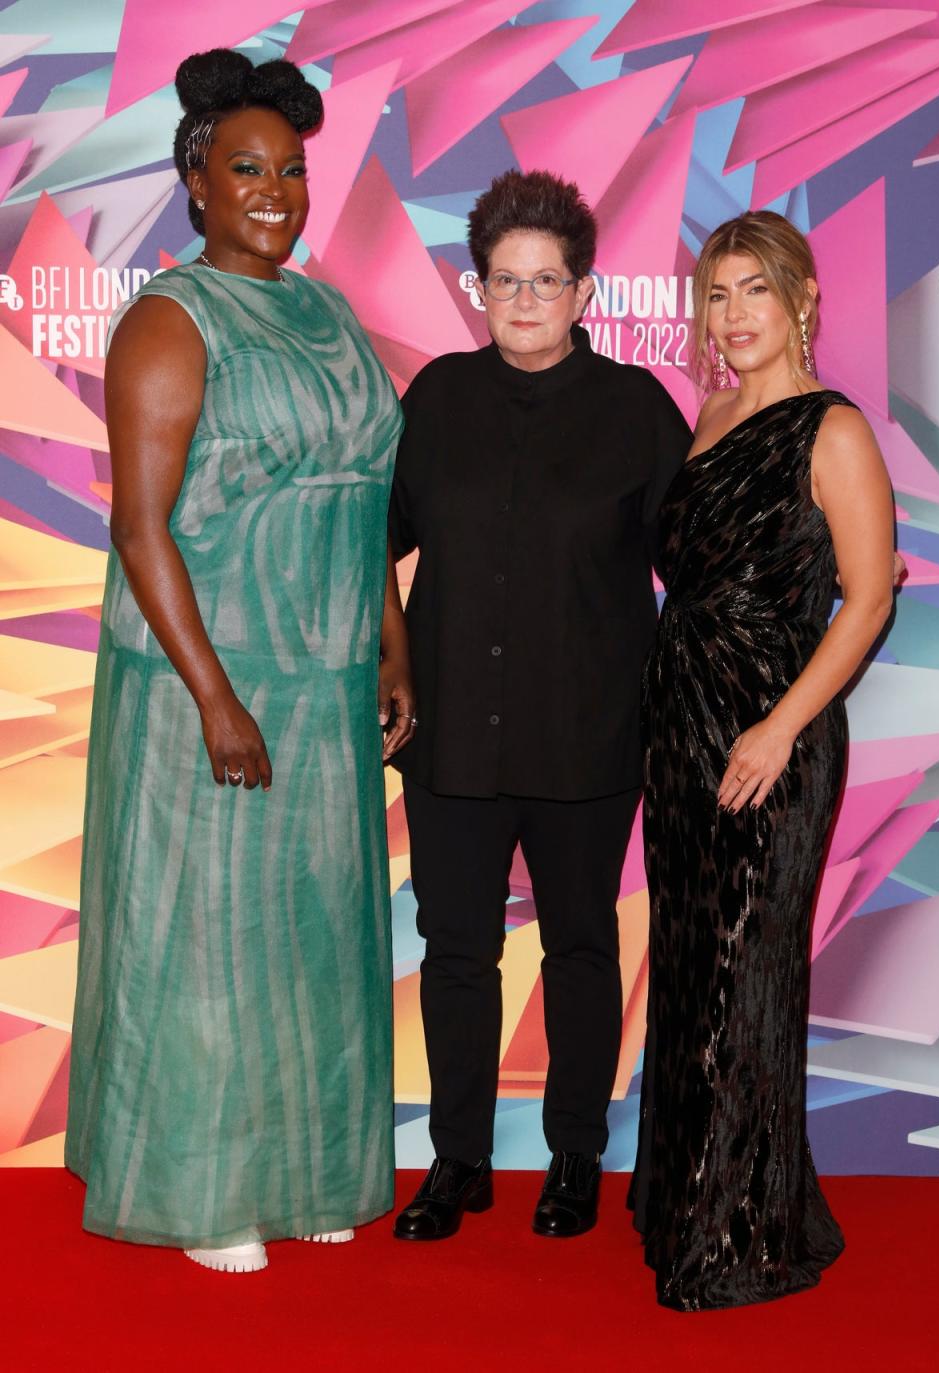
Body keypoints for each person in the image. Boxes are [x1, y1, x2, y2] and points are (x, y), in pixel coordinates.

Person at [65, 49, 413, 1274]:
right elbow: (140, 526)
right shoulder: (171, 317)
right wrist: (216, 695)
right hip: (206, 680)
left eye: (292, 170)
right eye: (246, 169)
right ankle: (204, 1186)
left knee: (314, 939)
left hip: (320, 683)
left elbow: (362, 489)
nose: (275, 190)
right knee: (207, 940)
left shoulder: (327, 311)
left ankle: (302, 1164)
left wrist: (390, 641)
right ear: (196, 185)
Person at [388, 171, 692, 1241]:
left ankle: (574, 1157)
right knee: (456, 950)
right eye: (503, 280)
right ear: (478, 288)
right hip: (452, 736)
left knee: (580, 947)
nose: (523, 299)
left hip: (588, 735)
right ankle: (457, 1160)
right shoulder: (435, 399)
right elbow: (371, 546)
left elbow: (696, 570)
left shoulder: (638, 412)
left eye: (545, 280)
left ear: (582, 292)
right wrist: (392, 665)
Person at [630, 211, 894, 1309]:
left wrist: (780, 725)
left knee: (745, 975)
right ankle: (708, 1195)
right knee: (694, 973)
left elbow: (869, 595)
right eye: (716, 297)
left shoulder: (831, 429)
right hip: (682, 729)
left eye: (753, 293)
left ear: (802, 301)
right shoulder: (712, 412)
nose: (732, 317)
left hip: (770, 734)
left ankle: (737, 1234)